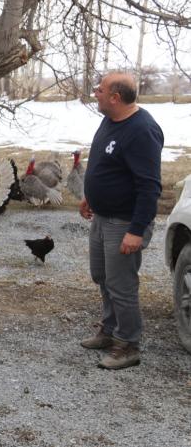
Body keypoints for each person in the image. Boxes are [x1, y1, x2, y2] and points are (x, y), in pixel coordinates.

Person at [79, 72, 163, 370]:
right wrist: (91, 196)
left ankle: (127, 344)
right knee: (102, 276)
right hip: (102, 216)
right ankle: (110, 330)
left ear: (115, 97)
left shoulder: (142, 130)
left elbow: (149, 186)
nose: (95, 93)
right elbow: (105, 164)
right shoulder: (109, 119)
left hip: (124, 223)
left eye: (99, 90)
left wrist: (136, 230)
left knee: (121, 284)